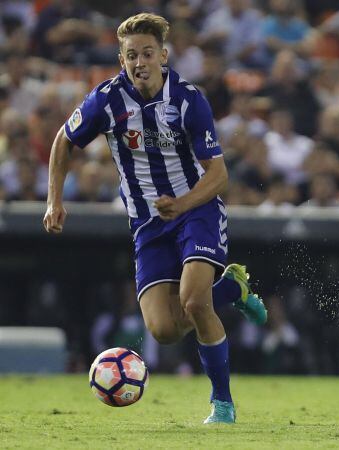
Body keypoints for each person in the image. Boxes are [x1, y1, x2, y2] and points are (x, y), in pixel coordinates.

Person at [43, 13, 267, 424]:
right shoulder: (107, 99)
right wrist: (54, 200)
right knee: (163, 330)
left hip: (195, 209)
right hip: (148, 224)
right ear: (121, 59)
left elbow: (218, 175)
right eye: (132, 55)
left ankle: (222, 404)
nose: (140, 61)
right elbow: (63, 139)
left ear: (163, 55)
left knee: (196, 301)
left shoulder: (187, 99)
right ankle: (232, 290)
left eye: (148, 53)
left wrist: (182, 204)